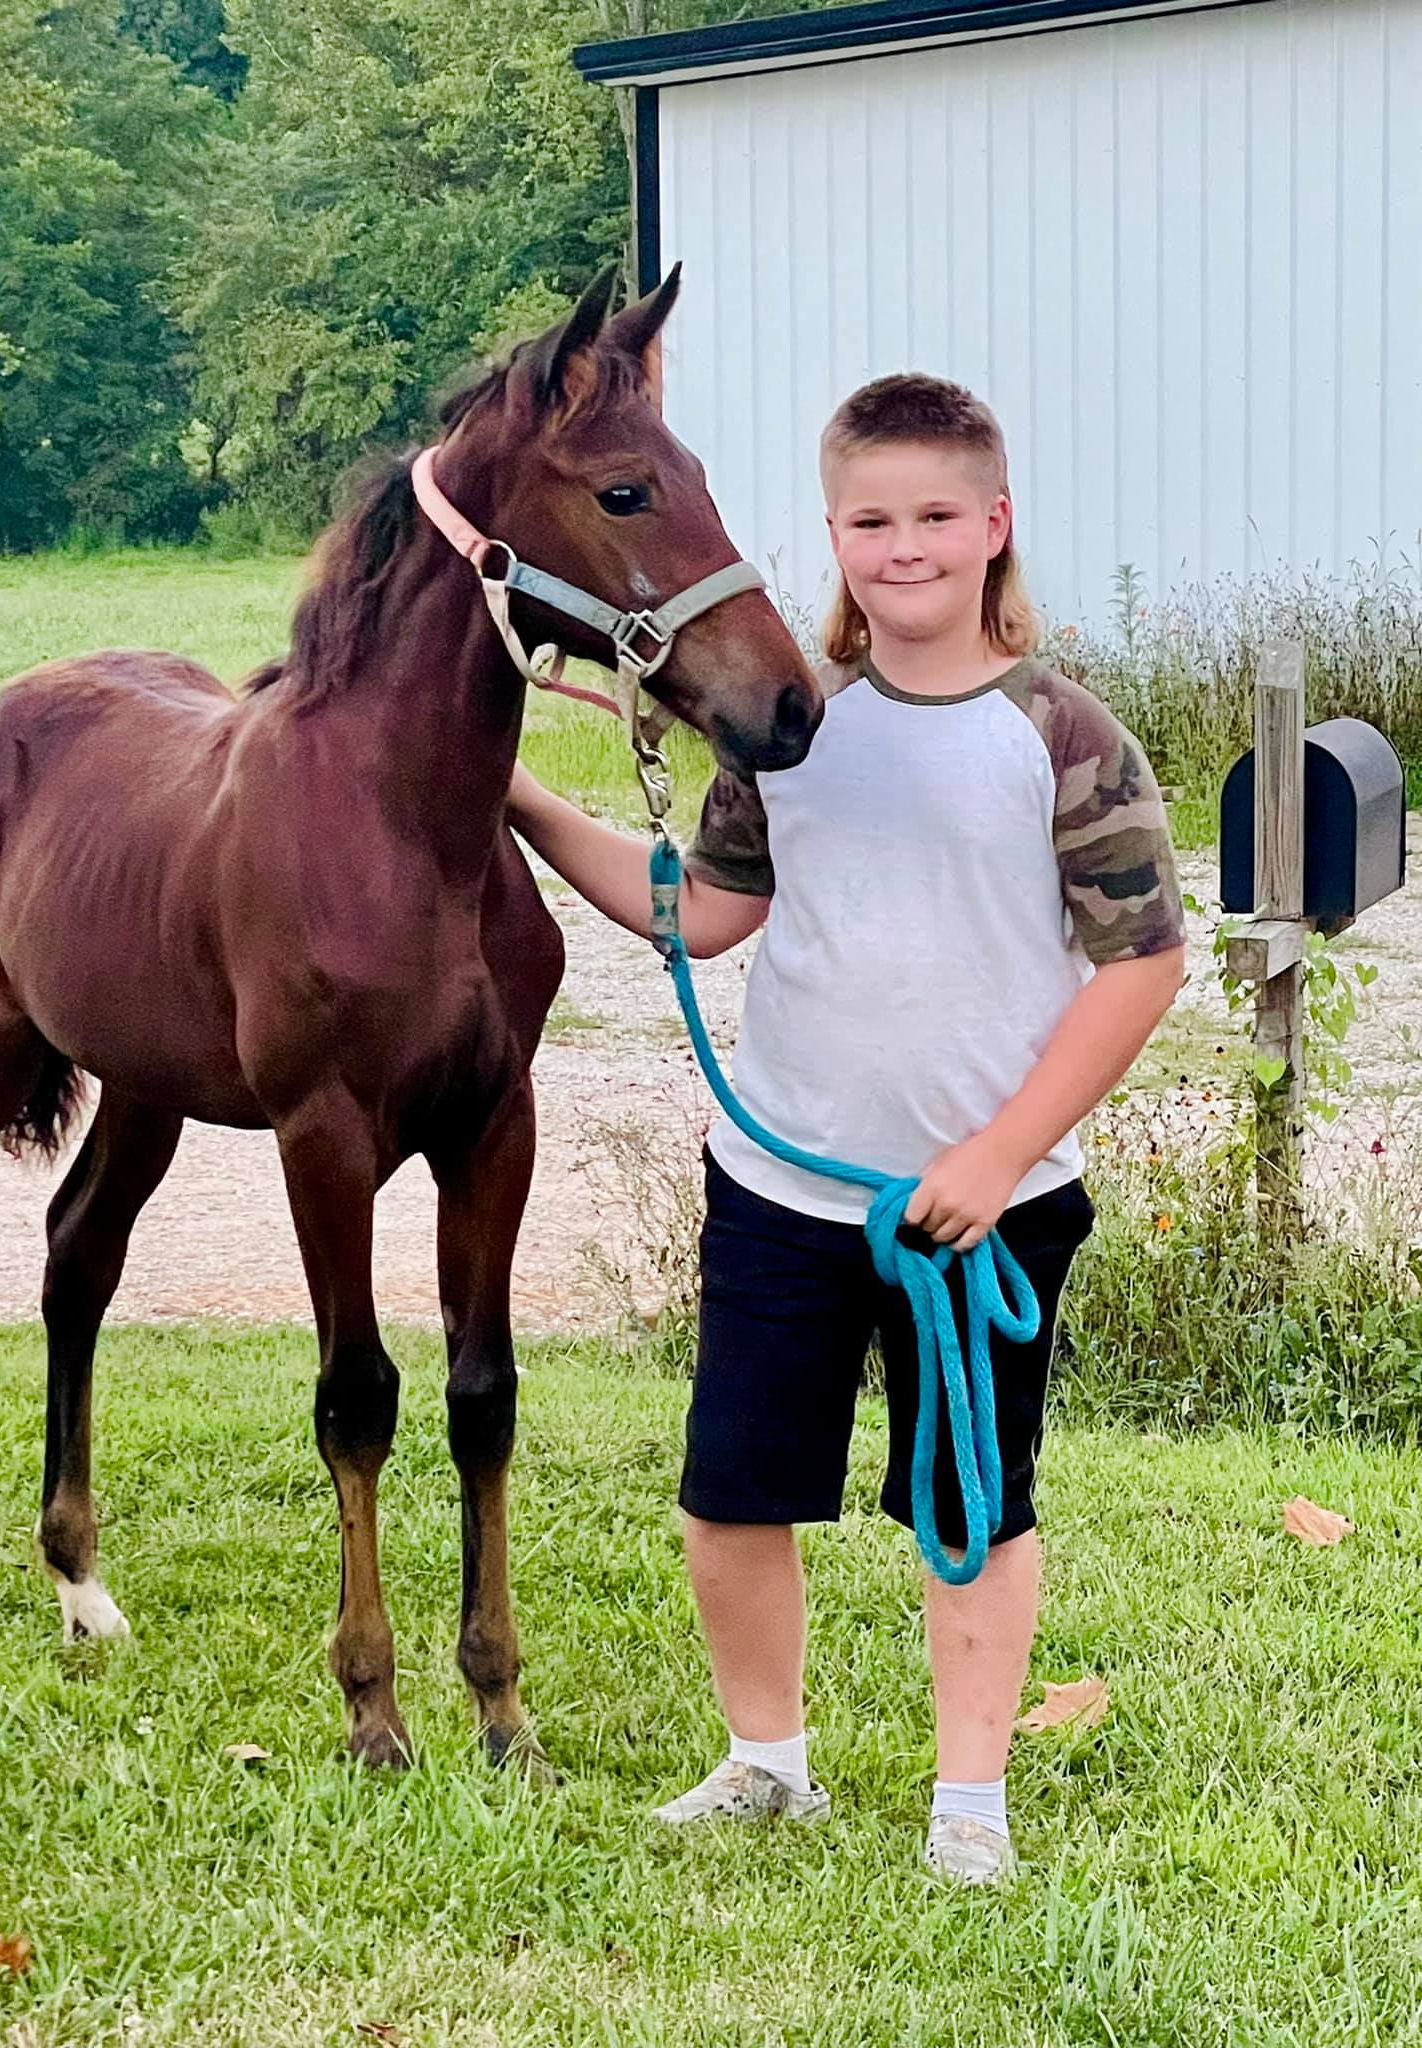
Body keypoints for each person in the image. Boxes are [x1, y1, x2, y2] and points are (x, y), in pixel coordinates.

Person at [508, 374, 1185, 1884]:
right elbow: (713, 914)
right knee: (731, 1493)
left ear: (993, 526)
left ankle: (970, 1800)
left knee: (972, 1508)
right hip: (782, 1186)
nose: (906, 547)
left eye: (937, 516)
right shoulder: (792, 732)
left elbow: (1146, 964)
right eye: (872, 521)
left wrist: (999, 1156)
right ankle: (767, 1762)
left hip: (984, 1208)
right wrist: (534, 810)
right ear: (832, 532)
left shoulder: (1064, 736)